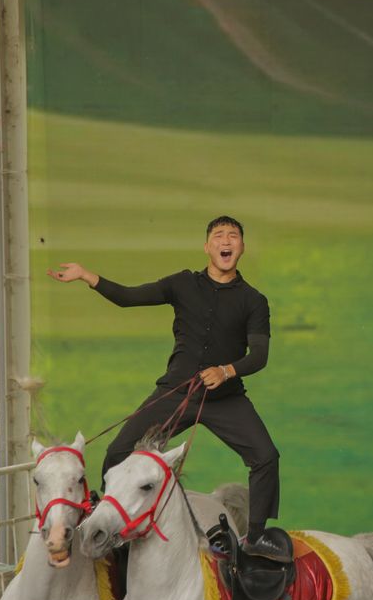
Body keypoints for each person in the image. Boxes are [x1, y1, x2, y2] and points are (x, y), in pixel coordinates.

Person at [47, 216, 281, 557]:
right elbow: (128, 297)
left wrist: (227, 371)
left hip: (226, 399)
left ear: (241, 247)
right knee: (118, 452)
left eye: (233, 236)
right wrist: (86, 275)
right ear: (207, 247)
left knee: (266, 457)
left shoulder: (254, 300)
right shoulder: (183, 284)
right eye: (218, 235)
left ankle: (256, 535)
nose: (226, 240)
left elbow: (259, 355)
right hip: (177, 392)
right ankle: (105, 522)